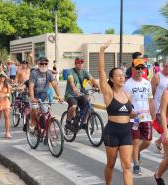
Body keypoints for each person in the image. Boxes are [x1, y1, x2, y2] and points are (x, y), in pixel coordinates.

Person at [99, 41, 133, 185]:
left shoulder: (127, 94)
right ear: (112, 79)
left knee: (127, 165)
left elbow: (127, 113)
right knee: (111, 164)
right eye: (118, 75)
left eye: (122, 75)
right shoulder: (108, 93)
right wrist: (101, 51)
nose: (121, 77)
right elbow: (101, 71)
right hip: (112, 131)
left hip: (126, 131)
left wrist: (135, 115)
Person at [124, 58, 155, 175]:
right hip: (134, 118)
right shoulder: (128, 84)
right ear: (132, 68)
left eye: (142, 68)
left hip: (146, 117)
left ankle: (135, 153)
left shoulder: (147, 83)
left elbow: (150, 100)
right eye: (137, 68)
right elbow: (126, 102)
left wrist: (153, 116)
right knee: (135, 141)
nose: (140, 70)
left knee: (147, 141)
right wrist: (129, 114)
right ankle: (136, 164)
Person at [29, 57, 63, 129]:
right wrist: (32, 98)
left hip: (44, 95)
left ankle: (45, 131)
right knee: (34, 108)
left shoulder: (49, 73)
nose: (44, 65)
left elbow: (54, 85)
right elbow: (31, 86)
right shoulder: (34, 73)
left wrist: (59, 96)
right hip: (35, 95)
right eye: (42, 63)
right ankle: (33, 121)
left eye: (45, 63)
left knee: (46, 113)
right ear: (38, 64)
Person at [64, 57, 99, 128]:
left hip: (80, 94)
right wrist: (74, 89)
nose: (80, 64)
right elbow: (71, 80)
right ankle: (68, 121)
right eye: (78, 62)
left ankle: (84, 122)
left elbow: (92, 79)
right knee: (74, 106)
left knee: (88, 105)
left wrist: (99, 87)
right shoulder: (70, 71)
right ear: (75, 63)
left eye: (81, 62)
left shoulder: (84, 71)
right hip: (70, 95)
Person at [151, 57, 168, 153]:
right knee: (165, 129)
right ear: (163, 66)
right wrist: (152, 107)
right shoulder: (157, 76)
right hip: (159, 108)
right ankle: (166, 153)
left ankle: (158, 141)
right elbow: (152, 92)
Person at [0, 72, 11, 139]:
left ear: (5, 78)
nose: (2, 78)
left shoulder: (7, 85)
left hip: (6, 102)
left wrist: (7, 95)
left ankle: (7, 132)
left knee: (7, 117)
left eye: (3, 77)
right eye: (1, 76)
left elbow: (9, 93)